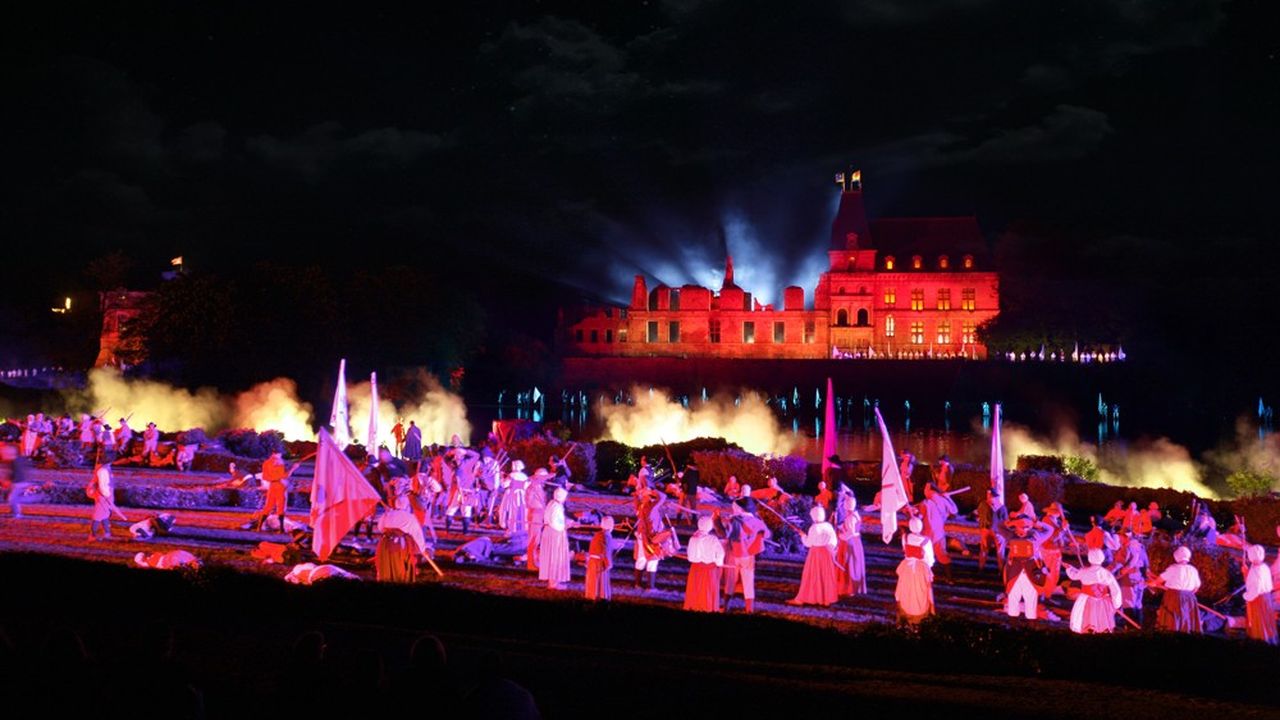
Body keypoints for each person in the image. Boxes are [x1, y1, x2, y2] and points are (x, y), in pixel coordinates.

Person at [998, 516, 1054, 621]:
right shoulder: (1011, 535)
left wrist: (1037, 523)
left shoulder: (1036, 535)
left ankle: (1030, 621)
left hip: (1031, 569)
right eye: (1021, 526)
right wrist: (1011, 522)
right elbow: (999, 526)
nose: (1023, 529)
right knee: (1013, 595)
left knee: (1030, 595)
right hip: (1015, 570)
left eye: (1026, 526)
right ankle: (1012, 620)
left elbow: (1050, 529)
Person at [722, 498, 769, 613]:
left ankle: (726, 607)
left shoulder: (734, 521)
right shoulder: (757, 521)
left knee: (730, 581)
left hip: (733, 554)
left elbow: (726, 534)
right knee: (748, 582)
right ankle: (749, 609)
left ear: (741, 509)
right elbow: (767, 534)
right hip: (748, 555)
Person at [789, 506, 839, 606]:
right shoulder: (828, 526)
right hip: (827, 553)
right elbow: (834, 540)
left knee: (812, 575)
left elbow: (808, 543)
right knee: (826, 575)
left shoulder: (814, 528)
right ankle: (826, 600)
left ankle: (804, 598)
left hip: (816, 553)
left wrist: (803, 536)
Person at [1065, 549, 1122, 633]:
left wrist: (1069, 568)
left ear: (1089, 558)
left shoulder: (1084, 571)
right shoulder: (1106, 573)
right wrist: (1116, 603)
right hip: (1103, 602)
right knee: (1102, 621)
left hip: (1088, 601)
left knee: (1088, 620)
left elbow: (1074, 575)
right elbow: (1115, 589)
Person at [894, 516, 935, 624]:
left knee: (905, 586)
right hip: (921, 567)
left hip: (907, 566)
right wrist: (926, 566)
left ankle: (907, 610)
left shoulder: (905, 537)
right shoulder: (926, 541)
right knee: (921, 588)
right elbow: (930, 559)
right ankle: (919, 612)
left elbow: (905, 550)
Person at [1152, 545, 1202, 633]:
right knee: (1187, 620)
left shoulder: (1173, 569)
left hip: (1174, 597)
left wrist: (1150, 583)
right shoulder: (1193, 570)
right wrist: (1187, 594)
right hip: (1190, 598)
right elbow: (1196, 587)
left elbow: (1158, 581)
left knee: (1173, 619)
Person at [633, 488, 673, 591]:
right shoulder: (651, 507)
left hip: (642, 537)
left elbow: (636, 499)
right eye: (650, 497)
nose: (652, 499)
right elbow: (663, 496)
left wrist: (637, 495)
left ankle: (637, 584)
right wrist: (653, 490)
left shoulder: (640, 507)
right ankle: (650, 587)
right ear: (646, 497)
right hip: (651, 538)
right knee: (652, 560)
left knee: (641, 559)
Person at [684, 514, 725, 612]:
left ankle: (695, 607)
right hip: (709, 569)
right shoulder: (713, 539)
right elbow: (720, 553)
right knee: (707, 590)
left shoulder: (693, 539)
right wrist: (718, 563)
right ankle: (707, 608)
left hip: (696, 569)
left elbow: (690, 556)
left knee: (695, 590)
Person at [919, 483, 958, 583]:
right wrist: (948, 499)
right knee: (942, 555)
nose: (925, 491)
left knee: (926, 556)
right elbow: (954, 511)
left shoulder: (925, 503)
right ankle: (949, 578)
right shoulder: (943, 500)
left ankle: (927, 577)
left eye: (926, 488)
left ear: (930, 490)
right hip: (939, 534)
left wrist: (910, 513)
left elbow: (919, 517)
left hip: (927, 534)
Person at [254, 451, 300, 533]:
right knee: (272, 506)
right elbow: (269, 476)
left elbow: (283, 475)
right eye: (278, 455)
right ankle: (261, 527)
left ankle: (279, 528)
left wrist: (291, 469)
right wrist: (292, 469)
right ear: (273, 454)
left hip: (278, 486)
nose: (279, 457)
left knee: (278, 507)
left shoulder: (278, 463)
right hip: (276, 486)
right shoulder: (270, 463)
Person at [1111, 531, 1148, 626]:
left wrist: (1106, 572)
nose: (1119, 539)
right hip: (1139, 579)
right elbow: (1146, 564)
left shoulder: (1127, 548)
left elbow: (1118, 564)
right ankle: (1139, 627)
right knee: (1138, 604)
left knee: (1128, 604)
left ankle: (1131, 628)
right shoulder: (1140, 547)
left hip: (1128, 579)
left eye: (1120, 537)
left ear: (1125, 537)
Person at [538, 486, 572, 589]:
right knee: (555, 557)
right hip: (555, 534)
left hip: (550, 533)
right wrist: (566, 525)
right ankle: (553, 583)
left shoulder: (552, 504)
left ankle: (554, 581)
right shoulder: (556, 506)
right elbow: (555, 523)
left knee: (552, 557)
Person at [1243, 544, 1277, 645]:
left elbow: (1254, 588)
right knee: (1266, 621)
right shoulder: (1264, 567)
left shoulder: (1256, 571)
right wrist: (1246, 572)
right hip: (1266, 598)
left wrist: (1246, 596)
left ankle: (1262, 643)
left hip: (1258, 600)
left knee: (1259, 622)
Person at [836, 493, 868, 596]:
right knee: (855, 563)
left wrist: (840, 536)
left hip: (849, 542)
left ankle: (848, 588)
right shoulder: (855, 515)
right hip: (856, 541)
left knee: (848, 564)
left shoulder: (850, 517)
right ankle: (853, 587)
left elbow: (850, 532)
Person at [87, 462, 124, 540]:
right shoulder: (102, 472)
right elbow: (99, 487)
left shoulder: (106, 472)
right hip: (102, 500)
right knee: (97, 518)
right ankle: (93, 534)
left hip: (106, 498)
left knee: (104, 517)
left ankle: (107, 532)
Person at [585, 515, 617, 601]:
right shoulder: (606, 536)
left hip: (593, 562)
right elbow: (604, 551)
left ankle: (592, 595)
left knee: (594, 580)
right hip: (599, 563)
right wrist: (608, 563)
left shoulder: (599, 535)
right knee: (600, 579)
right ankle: (600, 596)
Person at [976, 490, 1008, 572]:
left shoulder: (982, 504)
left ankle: (981, 568)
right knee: (1000, 551)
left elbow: (979, 515)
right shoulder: (1001, 507)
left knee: (984, 549)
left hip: (985, 530)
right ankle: (1001, 570)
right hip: (998, 531)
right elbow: (1005, 520)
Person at [525, 467, 549, 571]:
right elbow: (528, 502)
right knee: (533, 539)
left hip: (539, 514)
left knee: (537, 539)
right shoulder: (532, 488)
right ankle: (531, 563)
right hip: (535, 514)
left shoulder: (539, 487)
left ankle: (534, 560)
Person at [498, 460, 528, 533]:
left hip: (512, 494)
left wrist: (501, 477)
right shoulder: (525, 476)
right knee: (521, 510)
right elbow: (526, 486)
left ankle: (511, 527)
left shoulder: (512, 475)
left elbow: (504, 485)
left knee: (509, 510)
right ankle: (520, 527)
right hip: (522, 495)